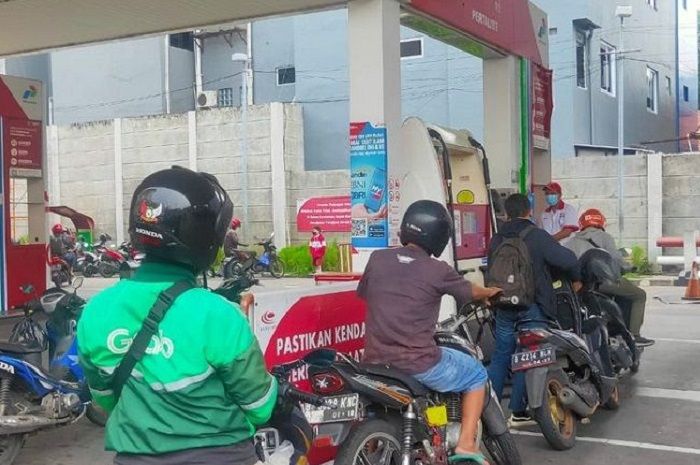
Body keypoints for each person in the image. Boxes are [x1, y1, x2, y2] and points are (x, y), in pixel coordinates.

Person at [77, 166, 277, 465]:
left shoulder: (96, 310)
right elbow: (259, 406)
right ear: (205, 239)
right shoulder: (218, 314)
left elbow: (104, 399)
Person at [358, 200, 500, 463]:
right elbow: (471, 291)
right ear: (439, 236)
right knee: (476, 374)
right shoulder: (437, 270)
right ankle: (466, 443)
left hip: (374, 361)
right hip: (417, 363)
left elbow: (367, 294)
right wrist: (489, 292)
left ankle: (373, 447)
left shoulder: (377, 259)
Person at [487, 193, 582, 425]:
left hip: (503, 305)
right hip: (532, 306)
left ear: (506, 213)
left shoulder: (497, 238)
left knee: (500, 356)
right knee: (528, 357)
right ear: (529, 211)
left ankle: (490, 410)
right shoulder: (537, 236)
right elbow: (568, 260)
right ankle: (518, 412)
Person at [566, 208, 655, 347]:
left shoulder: (571, 241)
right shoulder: (605, 237)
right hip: (605, 282)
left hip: (582, 285)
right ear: (601, 222)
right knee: (639, 295)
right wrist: (629, 267)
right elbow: (616, 259)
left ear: (582, 223)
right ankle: (634, 335)